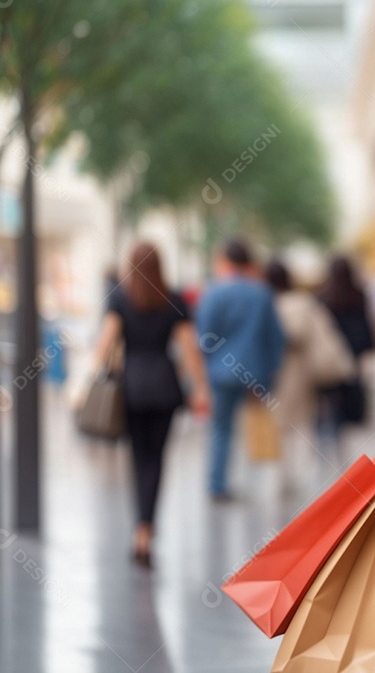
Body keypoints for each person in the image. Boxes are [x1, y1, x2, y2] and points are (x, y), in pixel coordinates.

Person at [92, 242, 210, 566]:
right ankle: (147, 529)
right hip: (165, 389)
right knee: (156, 461)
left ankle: (139, 530)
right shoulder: (174, 300)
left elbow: (105, 342)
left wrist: (89, 380)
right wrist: (200, 388)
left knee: (137, 458)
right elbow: (189, 349)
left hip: (131, 388)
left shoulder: (120, 298)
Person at [196, 239, 286, 501]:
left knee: (221, 428)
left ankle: (217, 484)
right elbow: (276, 337)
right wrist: (270, 370)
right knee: (255, 424)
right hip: (255, 371)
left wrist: (206, 368)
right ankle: (254, 478)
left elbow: (204, 335)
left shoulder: (214, 292)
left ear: (225, 261)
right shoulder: (262, 293)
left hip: (221, 372)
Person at [265, 258, 354, 490]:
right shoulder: (302, 301)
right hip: (304, 369)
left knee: (289, 420)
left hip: (290, 370)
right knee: (304, 419)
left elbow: (295, 334)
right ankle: (305, 468)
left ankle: (289, 472)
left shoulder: (278, 303)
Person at [318, 255, 375, 429]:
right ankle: (351, 416)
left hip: (333, 351)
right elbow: (366, 323)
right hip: (355, 348)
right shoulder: (359, 294)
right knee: (353, 385)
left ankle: (336, 420)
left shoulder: (323, 297)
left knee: (334, 392)